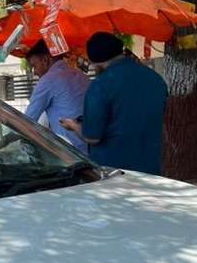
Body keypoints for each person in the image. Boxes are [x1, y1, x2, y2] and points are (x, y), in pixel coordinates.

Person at [61, 31, 168, 174]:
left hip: (115, 172)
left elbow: (92, 137)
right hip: (150, 169)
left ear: (96, 62)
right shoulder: (155, 79)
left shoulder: (101, 85)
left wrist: (73, 125)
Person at [22, 40, 90, 152]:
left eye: (34, 66)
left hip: (72, 151)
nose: (34, 72)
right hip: (92, 147)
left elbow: (27, 120)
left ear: (45, 60)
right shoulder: (80, 75)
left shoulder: (47, 80)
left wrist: (8, 138)